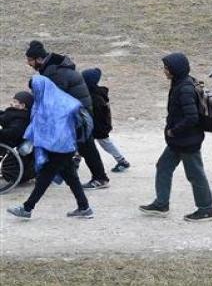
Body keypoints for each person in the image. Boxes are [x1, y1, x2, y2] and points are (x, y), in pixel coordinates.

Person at [138, 53, 212, 222]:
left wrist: (174, 131)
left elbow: (192, 117)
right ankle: (161, 204)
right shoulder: (180, 83)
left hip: (187, 140)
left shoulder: (185, 88)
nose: (164, 71)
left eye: (166, 68)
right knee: (163, 167)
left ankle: (206, 209)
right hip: (178, 140)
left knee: (195, 174)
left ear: (174, 70)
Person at [24, 40, 110, 190]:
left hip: (78, 114)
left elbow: (55, 97)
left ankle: (100, 178)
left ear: (38, 59)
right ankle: (65, 173)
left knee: (86, 146)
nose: (29, 64)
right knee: (80, 145)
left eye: (30, 60)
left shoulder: (54, 71)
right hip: (77, 110)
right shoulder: (53, 67)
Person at [6, 76, 93, 219]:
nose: (34, 93)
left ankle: (27, 208)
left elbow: (52, 127)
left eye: (34, 89)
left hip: (60, 147)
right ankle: (84, 207)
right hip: (65, 146)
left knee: (45, 177)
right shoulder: (60, 100)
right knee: (71, 177)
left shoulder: (52, 104)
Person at [81, 68, 131, 173]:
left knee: (104, 143)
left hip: (99, 127)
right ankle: (76, 159)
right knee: (84, 143)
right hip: (97, 126)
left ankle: (122, 161)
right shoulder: (97, 92)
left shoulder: (95, 97)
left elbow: (98, 115)